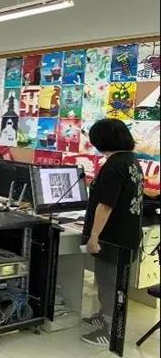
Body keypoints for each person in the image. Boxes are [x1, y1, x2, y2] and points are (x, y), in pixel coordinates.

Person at [80, 119, 144, 347]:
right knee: (108, 280)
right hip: (127, 236)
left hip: (112, 238)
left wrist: (94, 236)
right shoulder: (131, 161)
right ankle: (103, 316)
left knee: (109, 284)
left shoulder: (114, 166)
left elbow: (105, 205)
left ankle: (109, 331)